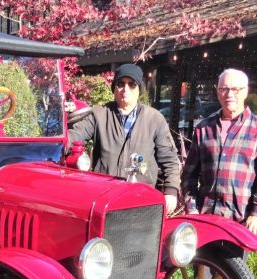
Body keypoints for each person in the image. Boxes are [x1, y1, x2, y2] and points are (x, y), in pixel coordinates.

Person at [181, 68, 257, 279]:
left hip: (239, 217)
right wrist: (191, 208)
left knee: (233, 274)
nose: (229, 95)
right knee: (202, 271)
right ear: (217, 90)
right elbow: (189, 175)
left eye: (235, 89)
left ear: (246, 92)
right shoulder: (204, 128)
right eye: (225, 89)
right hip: (208, 215)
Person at [68, 64, 180, 213]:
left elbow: (170, 160)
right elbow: (73, 137)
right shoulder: (99, 115)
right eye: (120, 84)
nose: (125, 89)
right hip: (105, 201)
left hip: (141, 202)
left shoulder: (155, 119)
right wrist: (53, 146)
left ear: (139, 89)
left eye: (132, 84)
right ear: (114, 88)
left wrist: (171, 192)